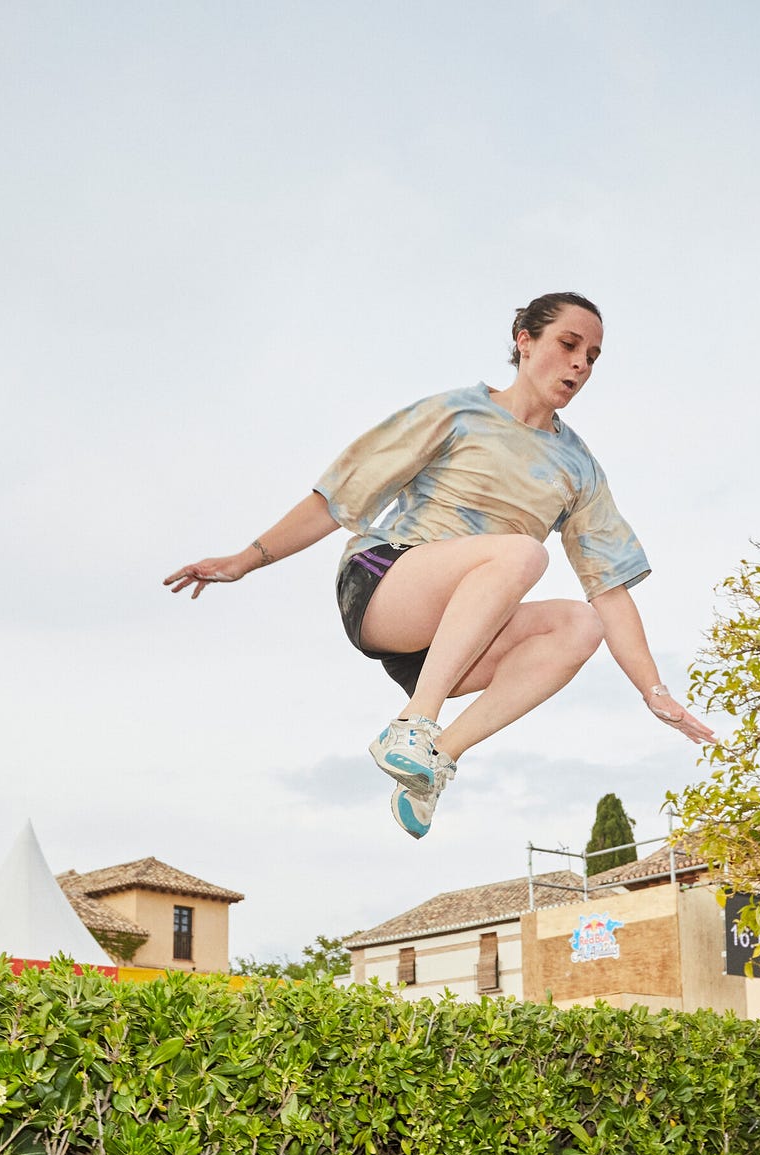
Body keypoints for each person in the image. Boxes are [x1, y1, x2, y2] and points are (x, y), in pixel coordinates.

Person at [164, 291, 714, 838]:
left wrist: (655, 692)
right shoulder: (459, 412)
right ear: (525, 341)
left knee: (580, 623)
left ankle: (433, 762)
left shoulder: (580, 468)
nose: (579, 364)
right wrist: (246, 560)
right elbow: (340, 497)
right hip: (386, 583)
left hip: (451, 644)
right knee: (523, 551)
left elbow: (610, 589)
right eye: (569, 344)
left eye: (592, 357)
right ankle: (413, 723)